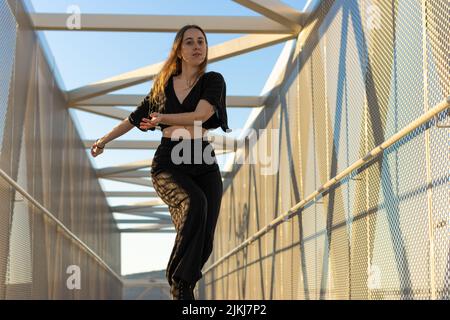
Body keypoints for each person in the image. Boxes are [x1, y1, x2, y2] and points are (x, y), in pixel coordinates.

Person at [91, 25, 230, 300]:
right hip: (170, 161)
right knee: (195, 203)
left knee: (205, 240)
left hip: (203, 160)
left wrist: (163, 119)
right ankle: (178, 283)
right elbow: (133, 119)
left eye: (201, 41)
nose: (196, 46)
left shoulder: (213, 80)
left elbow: (201, 114)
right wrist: (103, 140)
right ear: (179, 50)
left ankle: (185, 285)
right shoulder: (162, 89)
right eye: (189, 42)